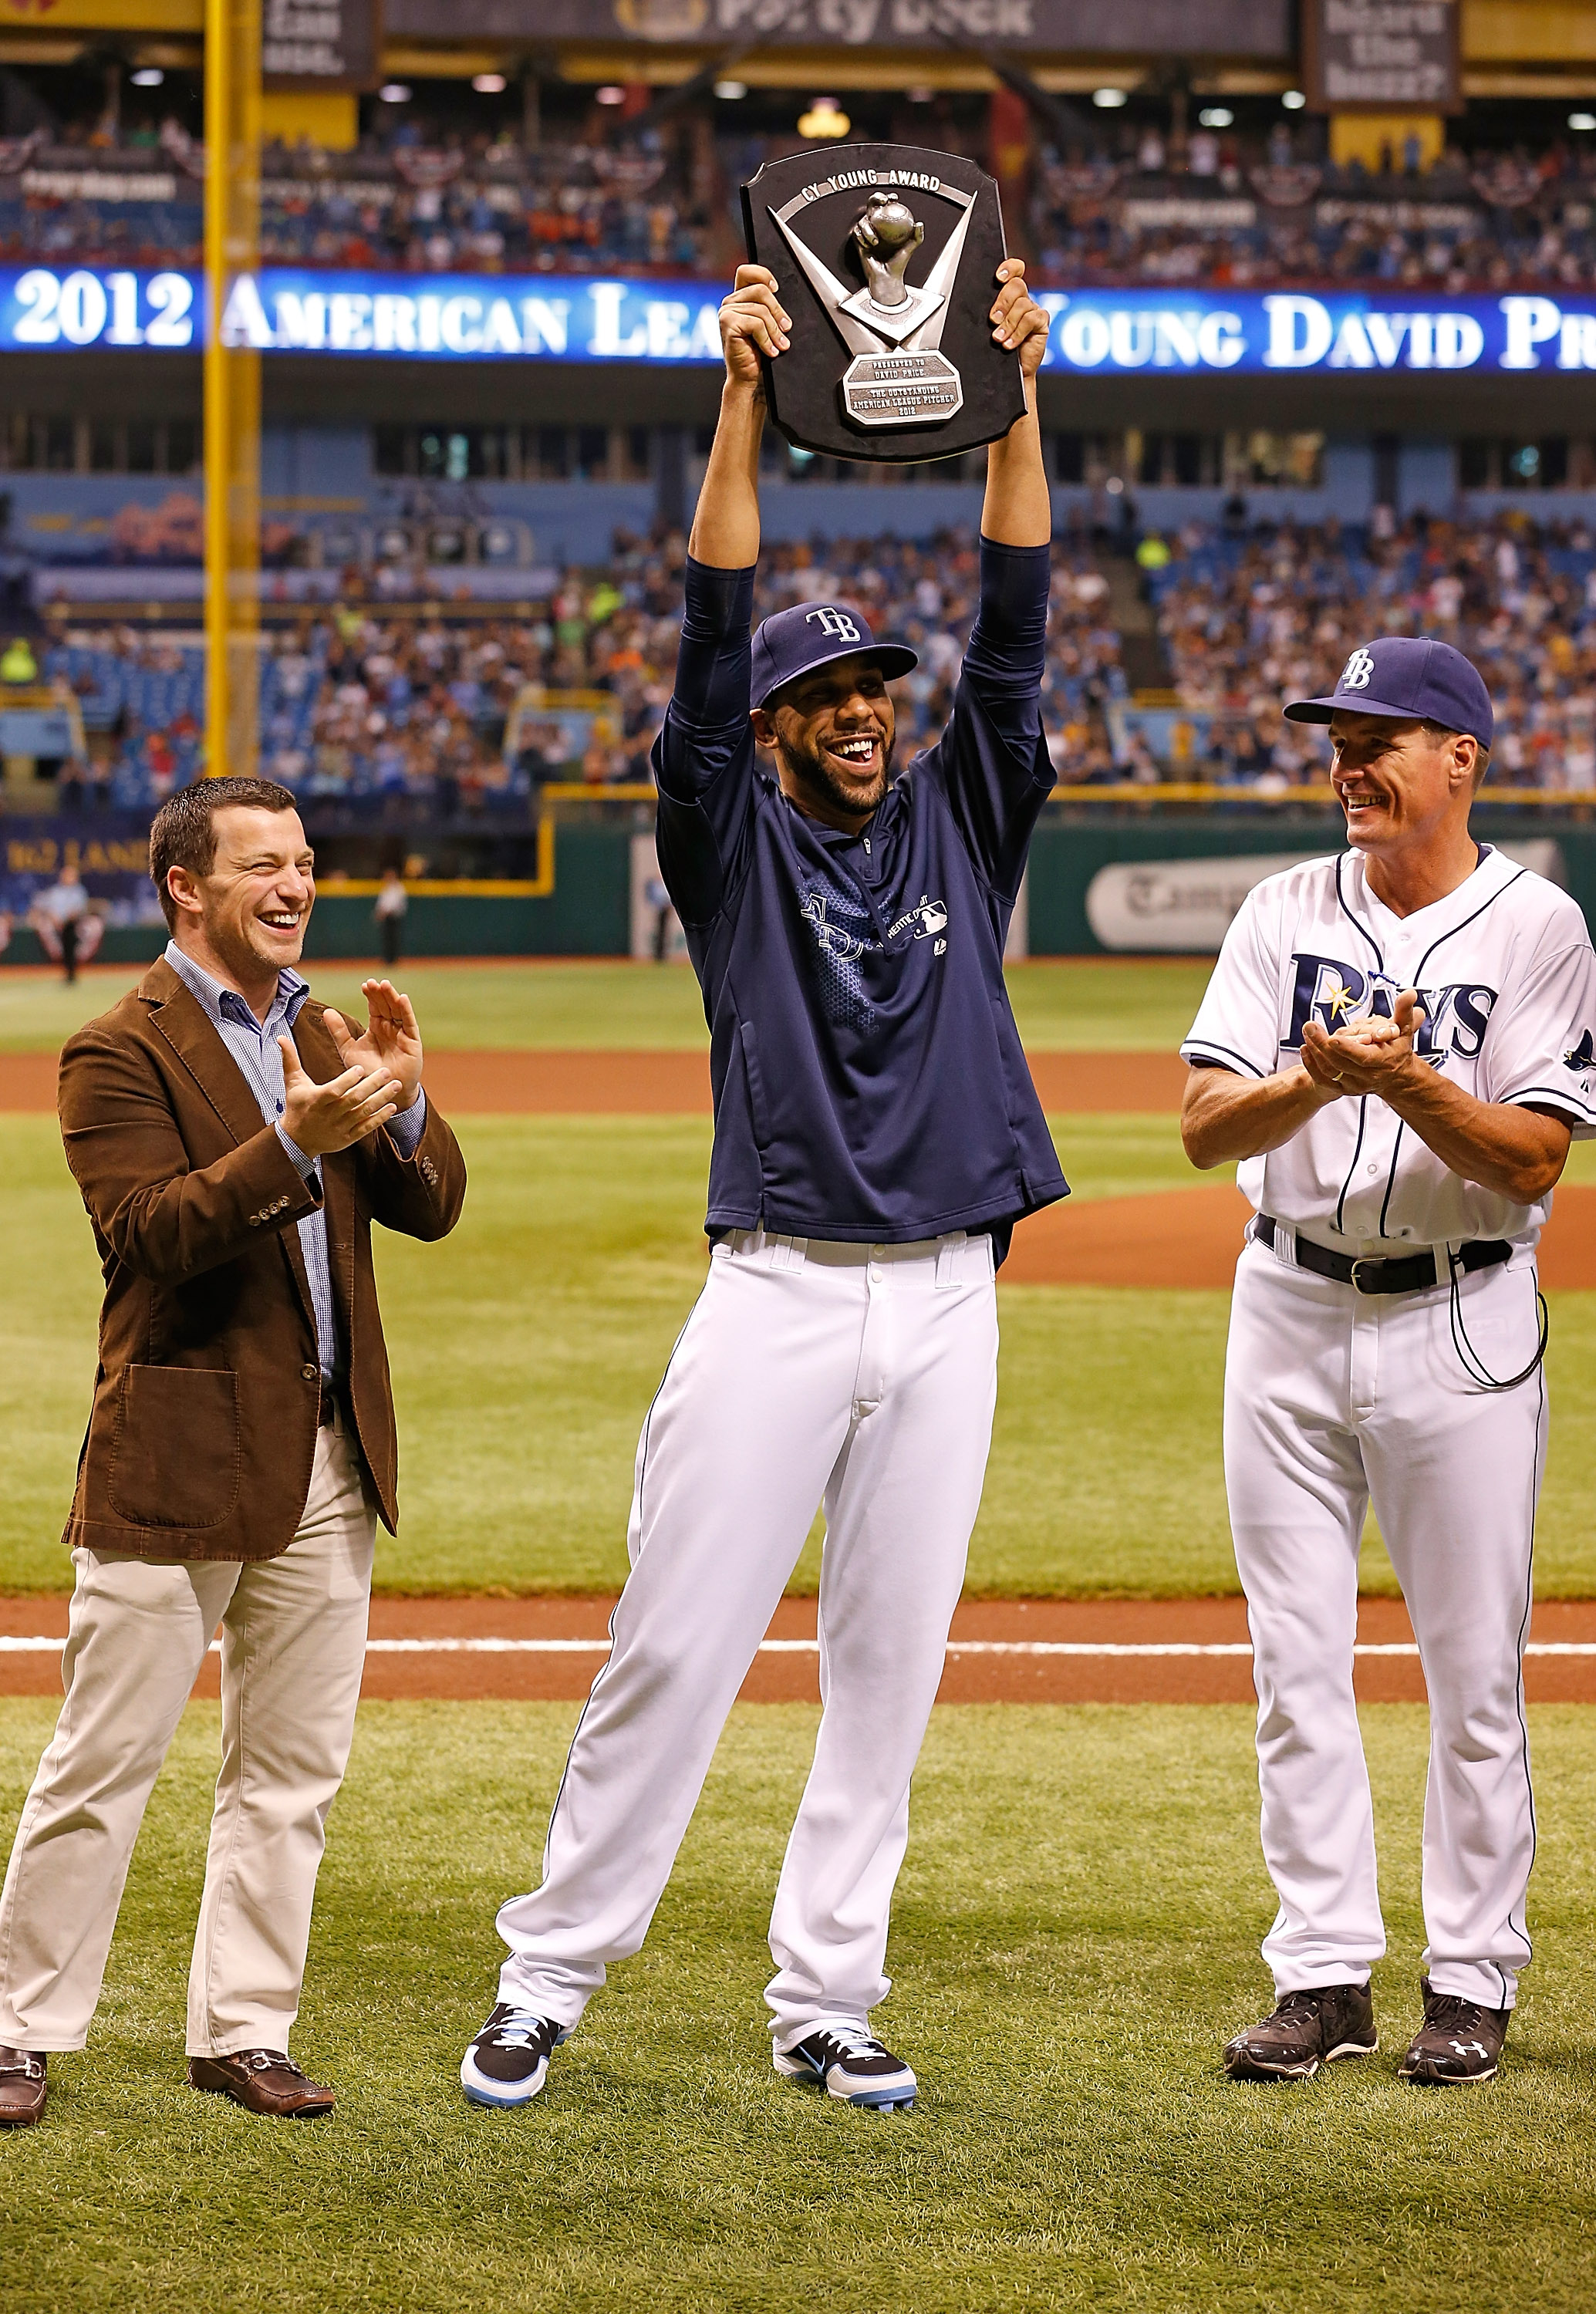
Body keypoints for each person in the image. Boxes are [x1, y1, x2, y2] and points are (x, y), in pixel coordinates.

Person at [458, 256, 1063, 2114]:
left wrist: (1017, 387)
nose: (867, 708)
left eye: (878, 684)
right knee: (674, 1642)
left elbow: (1018, 612)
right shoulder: (723, 832)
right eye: (832, 695)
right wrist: (736, 395)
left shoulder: (961, 809)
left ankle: (827, 1997)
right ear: (778, 728)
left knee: (885, 1673)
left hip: (950, 1290)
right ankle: (547, 1972)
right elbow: (712, 626)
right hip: (780, 1287)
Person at [0, 775, 466, 2129]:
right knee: (106, 1758)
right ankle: (22, 2028)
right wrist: (291, 1142)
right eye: (263, 864)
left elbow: (427, 1208)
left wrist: (407, 1107)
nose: (296, 885)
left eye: (305, 861)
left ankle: (243, 2030)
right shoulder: (116, 1048)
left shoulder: (318, 1028)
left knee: (289, 1773)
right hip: (182, 1451)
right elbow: (148, 1233)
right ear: (184, 891)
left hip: (330, 1453)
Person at [1180, 639, 1596, 2089]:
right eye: (1335, 739)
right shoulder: (1275, 906)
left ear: (1460, 759)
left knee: (1471, 1672)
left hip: (1458, 1320)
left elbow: (1534, 1151)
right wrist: (1311, 1075)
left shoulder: (1536, 924)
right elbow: (1201, 1125)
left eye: (1381, 739)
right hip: (1283, 1308)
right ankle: (1318, 1977)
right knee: (1292, 1664)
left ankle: (1470, 1981)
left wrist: (1402, 1077)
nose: (1347, 764)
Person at [32, 864, 91, 983]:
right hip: (57, 925)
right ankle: (64, 970)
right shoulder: (55, 891)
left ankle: (72, 972)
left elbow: (79, 909)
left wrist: (67, 919)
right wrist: (56, 920)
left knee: (72, 942)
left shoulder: (79, 891)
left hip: (72, 926)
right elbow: (49, 908)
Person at [373, 865, 408, 966]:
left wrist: (387, 912)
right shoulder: (386, 888)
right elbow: (381, 903)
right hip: (386, 917)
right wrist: (379, 912)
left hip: (394, 917)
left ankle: (393, 960)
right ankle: (387, 959)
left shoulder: (399, 888)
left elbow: (397, 904)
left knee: (394, 938)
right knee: (386, 939)